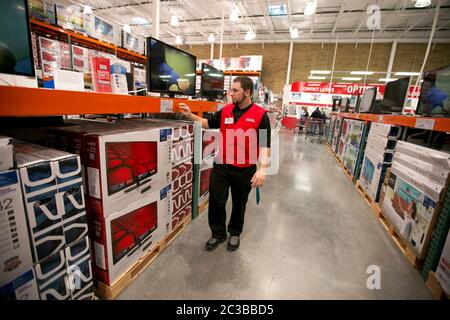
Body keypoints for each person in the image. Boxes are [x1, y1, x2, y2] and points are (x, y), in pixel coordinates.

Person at [179, 77, 271, 252]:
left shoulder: (261, 115)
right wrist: (190, 115)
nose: (231, 93)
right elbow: (208, 123)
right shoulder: (226, 111)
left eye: (235, 90)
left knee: (239, 203)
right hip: (222, 166)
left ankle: (234, 233)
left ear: (247, 92)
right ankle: (218, 234)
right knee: (216, 200)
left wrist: (263, 170)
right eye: (231, 90)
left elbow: (266, 145)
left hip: (245, 170)